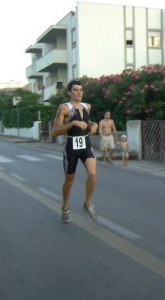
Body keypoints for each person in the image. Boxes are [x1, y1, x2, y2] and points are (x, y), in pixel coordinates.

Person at [52, 79, 99, 224]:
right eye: (75, 90)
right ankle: (65, 208)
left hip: (85, 144)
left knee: (92, 174)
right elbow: (55, 132)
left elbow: (87, 124)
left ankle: (88, 203)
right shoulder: (64, 108)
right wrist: (72, 123)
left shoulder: (87, 106)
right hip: (72, 147)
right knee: (69, 181)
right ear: (69, 92)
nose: (79, 92)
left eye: (81, 90)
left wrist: (94, 125)